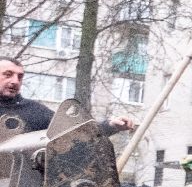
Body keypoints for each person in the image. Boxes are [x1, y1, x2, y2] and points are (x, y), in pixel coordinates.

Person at [0, 56, 138, 135]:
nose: (15, 81)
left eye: (20, 77)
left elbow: (75, 133)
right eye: (8, 75)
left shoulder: (35, 112)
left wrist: (110, 126)